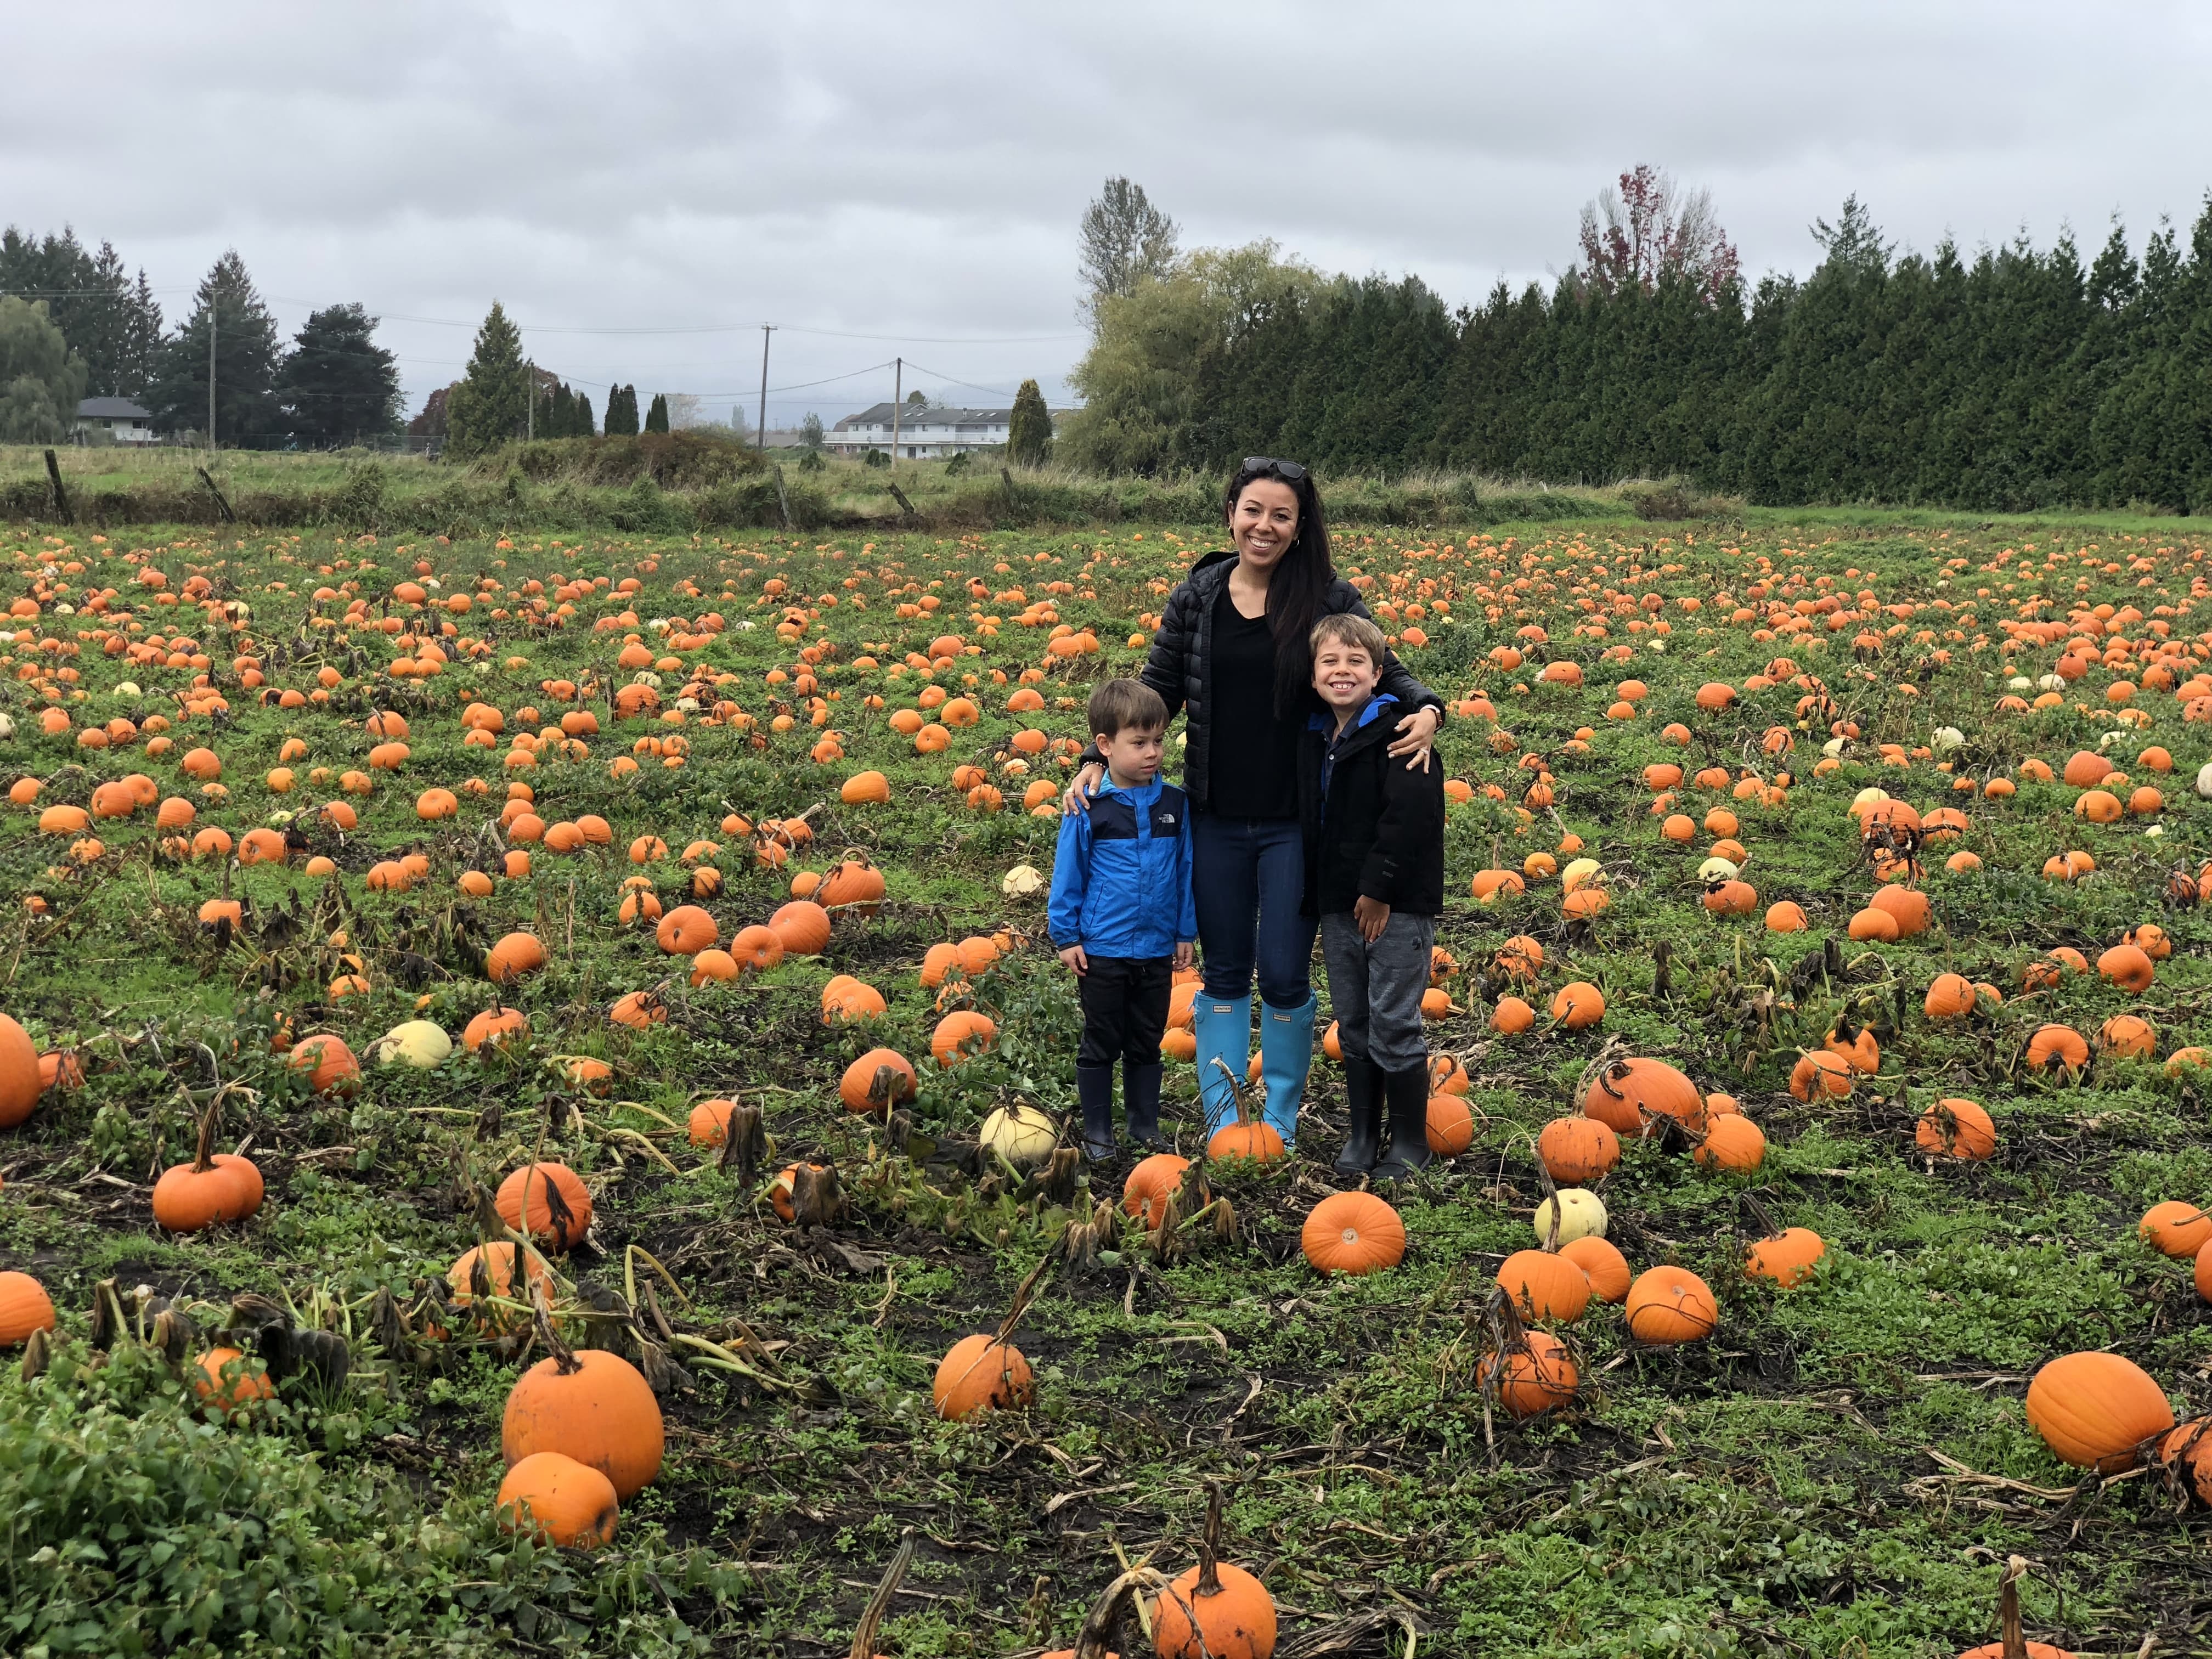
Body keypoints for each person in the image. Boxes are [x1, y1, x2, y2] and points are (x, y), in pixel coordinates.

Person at [1065, 458, 1442, 1146]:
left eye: (1281, 515)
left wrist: (1426, 709)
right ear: (1231, 513)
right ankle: (1222, 1116)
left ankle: (1280, 1119)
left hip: (1297, 823)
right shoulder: (1198, 595)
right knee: (1227, 966)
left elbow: (1381, 661)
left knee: (1286, 972)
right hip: (1213, 815)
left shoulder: (1326, 595)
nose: (1264, 526)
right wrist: (1095, 757)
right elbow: (1156, 690)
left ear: (1300, 528)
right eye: (1253, 511)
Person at [1299, 613, 1446, 1178]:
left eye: (1356, 662)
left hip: (1395, 904)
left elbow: (1410, 818)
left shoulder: (1401, 731)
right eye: (1330, 662)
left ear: (1379, 673)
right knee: (1353, 1018)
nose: (1342, 672)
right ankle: (1363, 1133)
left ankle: (1410, 1141)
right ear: (1313, 677)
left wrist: (1379, 891)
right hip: (1338, 903)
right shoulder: (1317, 736)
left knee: (1393, 1016)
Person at [1048, 679, 1197, 1160]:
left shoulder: (1174, 805)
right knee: (1102, 1039)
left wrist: (1183, 930)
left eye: (1157, 741)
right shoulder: (1089, 805)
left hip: (1156, 947)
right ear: (1105, 746)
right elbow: (1069, 872)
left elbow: (1185, 869)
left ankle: (1143, 1122)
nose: (1152, 752)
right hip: (1103, 948)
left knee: (1147, 1039)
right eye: (1139, 743)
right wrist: (1066, 935)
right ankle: (1097, 1131)